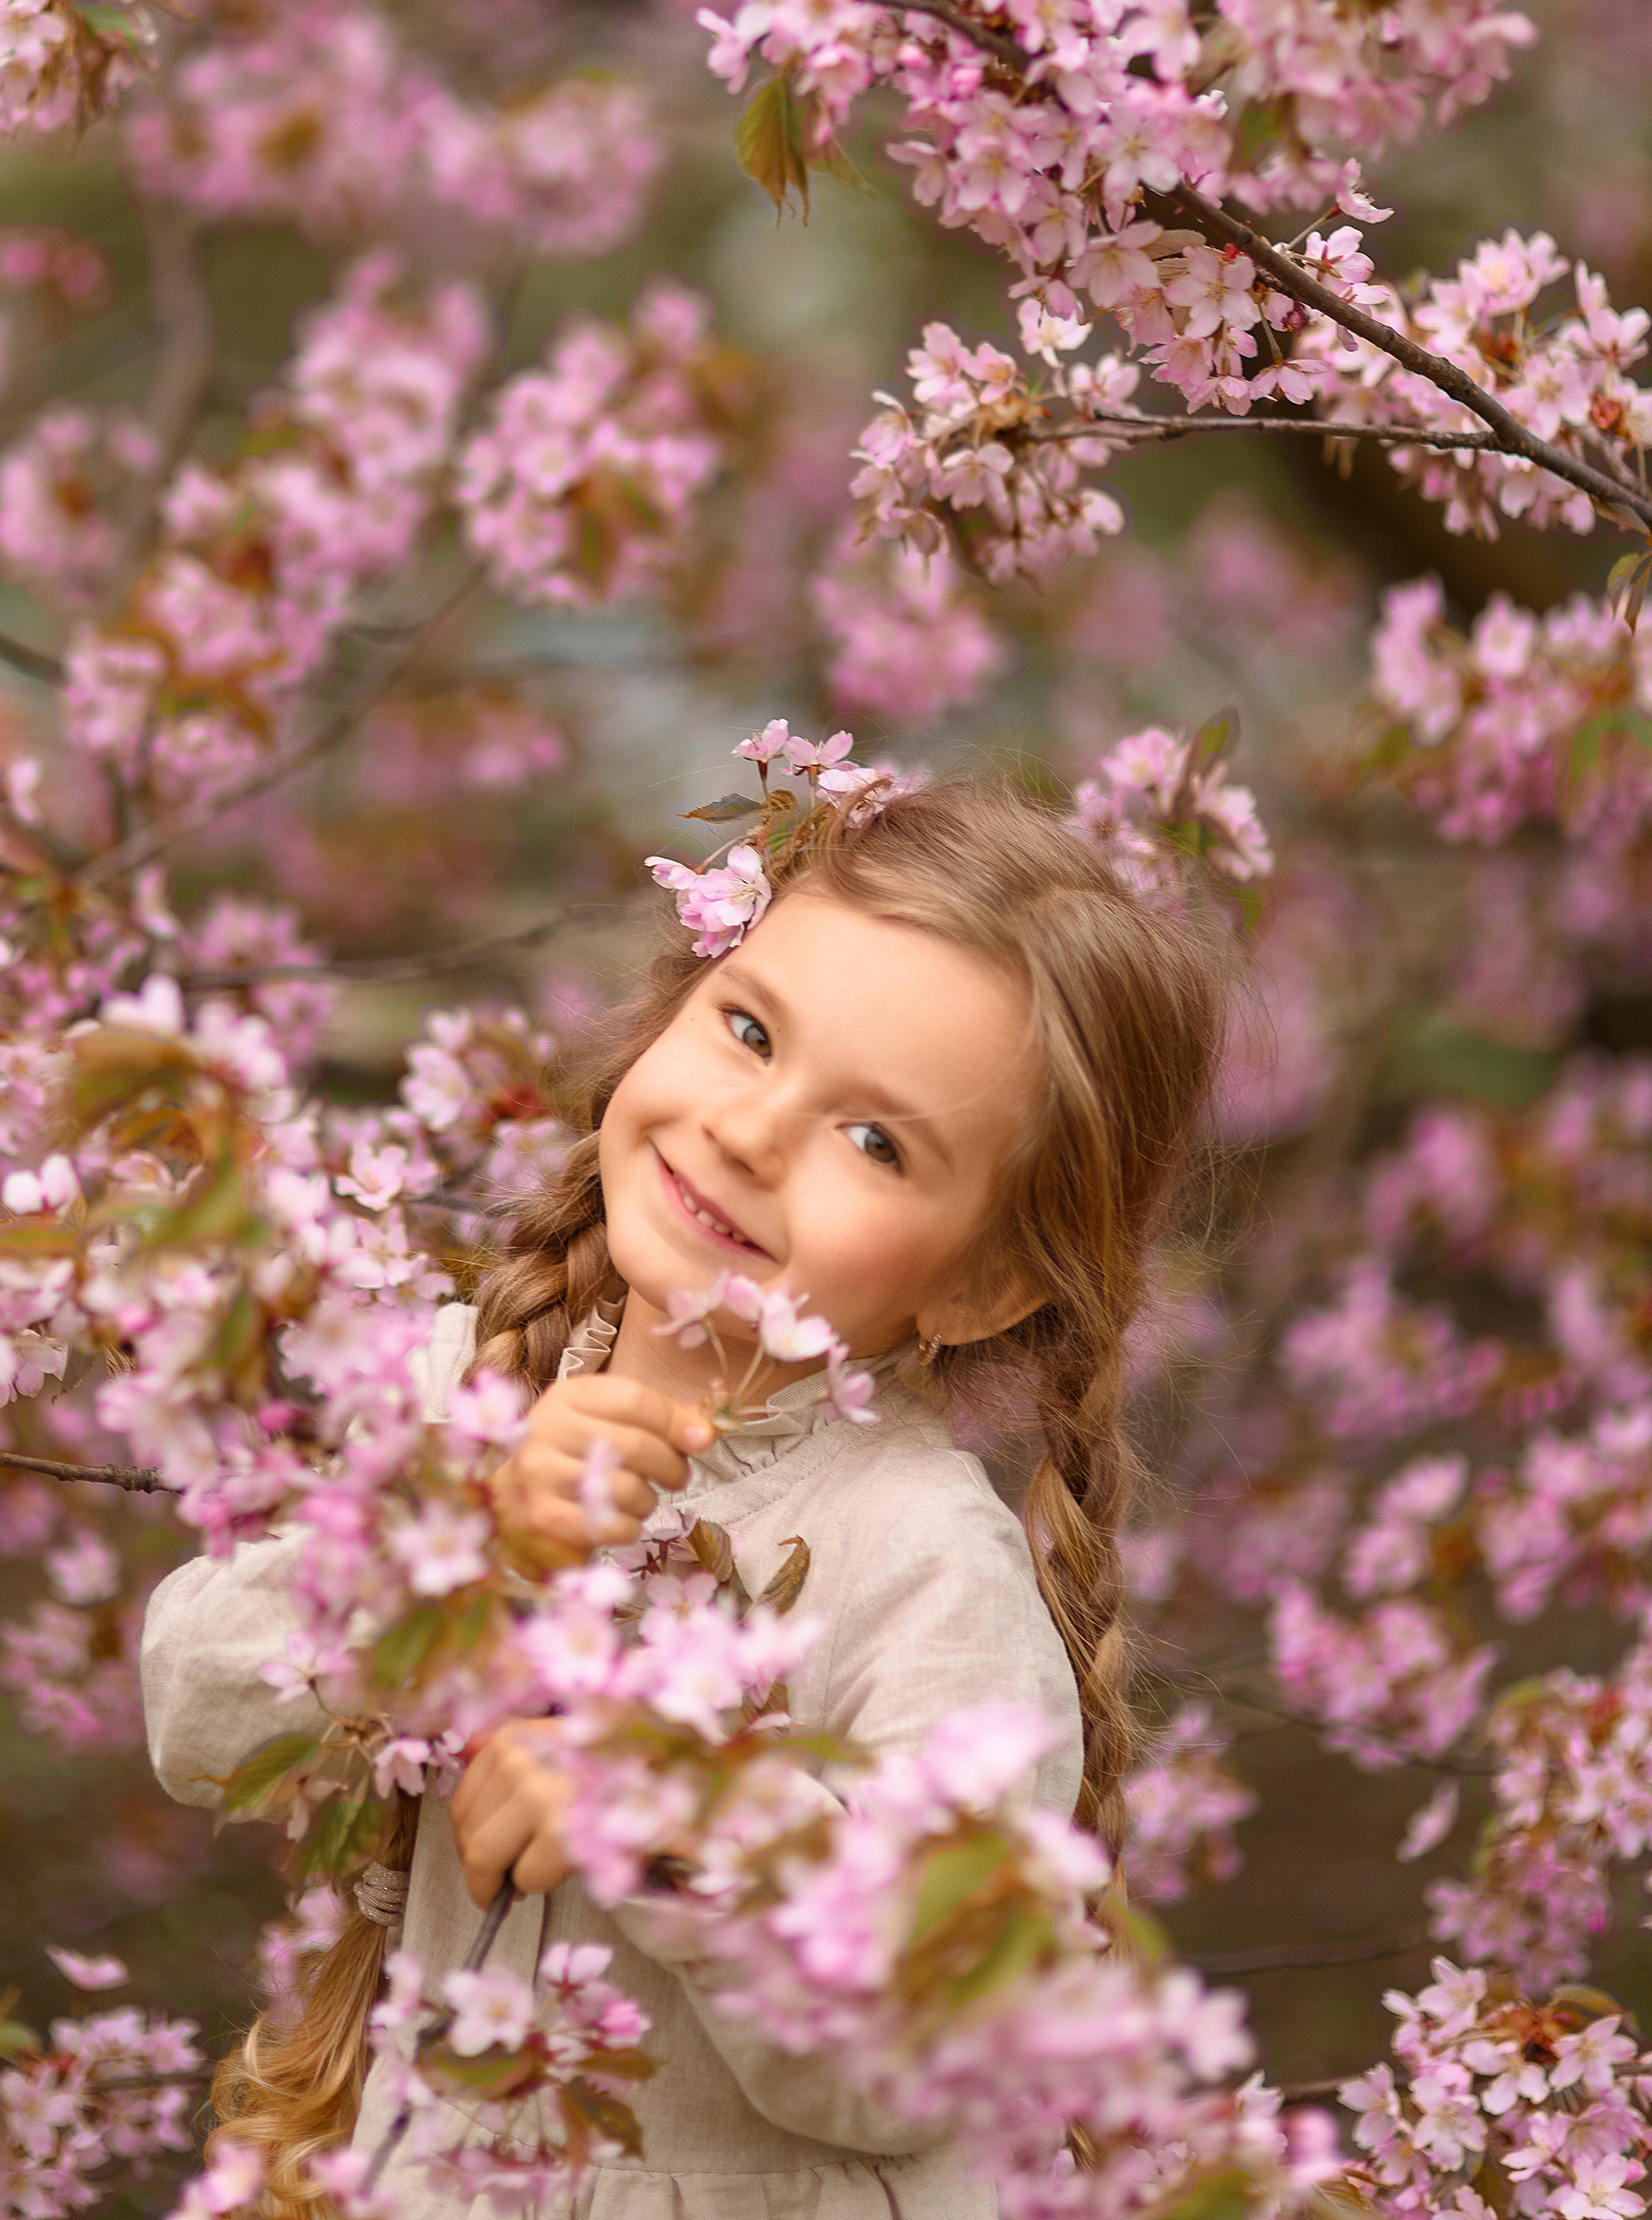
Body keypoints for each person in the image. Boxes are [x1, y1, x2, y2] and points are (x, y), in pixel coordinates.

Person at [139, 774, 1232, 2218]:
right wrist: (460, 1552)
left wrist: (673, 1809)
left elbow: (924, 2048)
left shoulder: (918, 1560)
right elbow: (198, 1715)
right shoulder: (471, 1382)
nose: (749, 1129)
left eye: (877, 1140)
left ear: (981, 1282)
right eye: (750, 1029)